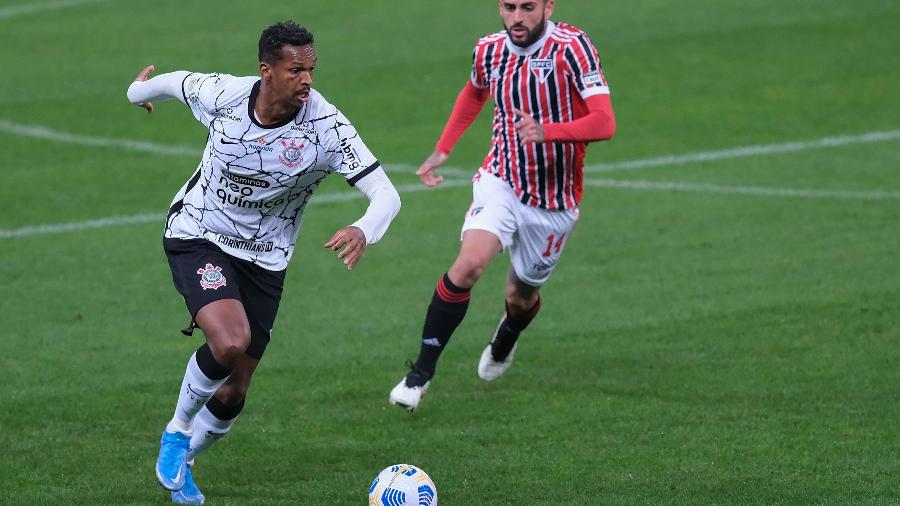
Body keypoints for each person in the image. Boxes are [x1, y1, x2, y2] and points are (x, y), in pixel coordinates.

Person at [126, 21, 401, 504]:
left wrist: (363, 228)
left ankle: (185, 463)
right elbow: (173, 82)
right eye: (296, 70)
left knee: (234, 390)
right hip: (199, 233)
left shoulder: (326, 126)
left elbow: (386, 193)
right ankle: (177, 431)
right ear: (266, 70)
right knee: (231, 340)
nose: (307, 80)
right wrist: (136, 93)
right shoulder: (224, 95)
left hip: (266, 258)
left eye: (311, 69)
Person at [389, 0, 615, 411]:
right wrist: (443, 147)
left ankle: (507, 336)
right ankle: (420, 374)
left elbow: (605, 121)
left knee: (521, 297)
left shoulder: (573, 48)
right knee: (469, 265)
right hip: (502, 180)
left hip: (554, 202)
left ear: (548, 6)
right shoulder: (489, 50)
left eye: (527, 7)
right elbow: (474, 92)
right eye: (509, 7)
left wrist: (548, 131)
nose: (517, 18)